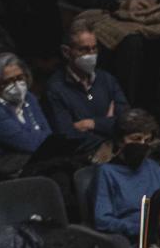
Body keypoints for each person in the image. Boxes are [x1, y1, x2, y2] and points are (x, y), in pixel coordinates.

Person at [0, 53, 73, 178]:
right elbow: (26, 142)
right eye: (7, 81)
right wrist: (46, 142)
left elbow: (47, 135)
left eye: (19, 78)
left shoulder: (29, 98)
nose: (16, 85)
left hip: (28, 162)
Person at [43, 25, 127, 154]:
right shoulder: (55, 89)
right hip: (85, 157)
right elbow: (67, 136)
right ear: (66, 52)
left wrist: (92, 124)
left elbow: (126, 119)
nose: (92, 55)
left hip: (118, 148)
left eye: (94, 49)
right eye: (84, 50)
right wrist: (109, 125)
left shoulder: (106, 79)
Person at [93, 110, 160, 238]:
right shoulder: (106, 173)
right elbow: (102, 220)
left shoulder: (153, 167)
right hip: (137, 237)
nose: (142, 145)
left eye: (147, 140)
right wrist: (137, 229)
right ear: (120, 141)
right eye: (136, 139)